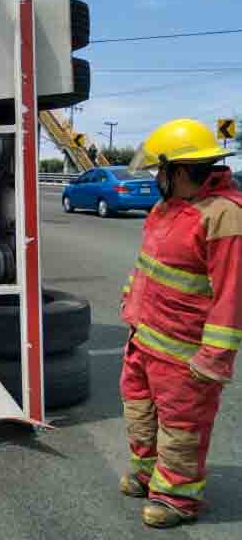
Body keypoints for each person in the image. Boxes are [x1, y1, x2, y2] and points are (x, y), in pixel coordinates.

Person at [119, 118, 242, 528]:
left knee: (181, 426)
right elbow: (148, 268)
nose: (156, 178)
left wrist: (213, 358)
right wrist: (131, 303)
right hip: (144, 340)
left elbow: (232, 295)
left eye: (160, 170)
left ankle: (176, 497)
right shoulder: (165, 209)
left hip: (184, 353)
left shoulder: (224, 215)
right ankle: (146, 473)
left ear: (180, 170)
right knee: (139, 412)